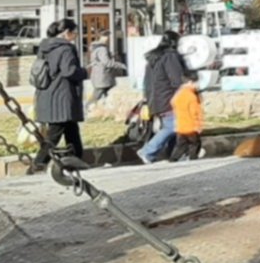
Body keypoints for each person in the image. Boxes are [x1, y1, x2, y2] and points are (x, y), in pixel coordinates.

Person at [31, 18, 89, 173]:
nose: (76, 36)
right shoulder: (66, 49)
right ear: (66, 33)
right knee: (54, 134)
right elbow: (68, 70)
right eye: (74, 32)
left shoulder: (45, 47)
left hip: (47, 93)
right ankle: (38, 164)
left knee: (71, 129)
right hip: (61, 96)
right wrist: (84, 72)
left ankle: (76, 159)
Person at [137, 30, 188, 164]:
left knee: (172, 126)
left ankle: (175, 154)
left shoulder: (153, 58)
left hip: (156, 99)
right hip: (168, 98)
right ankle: (148, 151)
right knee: (174, 126)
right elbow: (176, 79)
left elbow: (146, 81)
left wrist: (147, 98)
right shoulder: (170, 56)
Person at [168, 74, 204, 162]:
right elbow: (195, 113)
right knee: (195, 144)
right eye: (197, 83)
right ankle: (193, 158)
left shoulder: (179, 93)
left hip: (180, 125)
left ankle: (173, 159)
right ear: (191, 82)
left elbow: (173, 103)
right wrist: (198, 126)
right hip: (191, 126)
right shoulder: (191, 96)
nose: (198, 85)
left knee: (180, 145)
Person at [87, 39, 125, 105]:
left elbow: (100, 61)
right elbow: (107, 63)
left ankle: (103, 108)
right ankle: (87, 107)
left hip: (99, 76)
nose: (107, 39)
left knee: (105, 94)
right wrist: (120, 65)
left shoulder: (96, 49)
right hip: (103, 77)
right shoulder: (102, 49)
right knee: (98, 94)